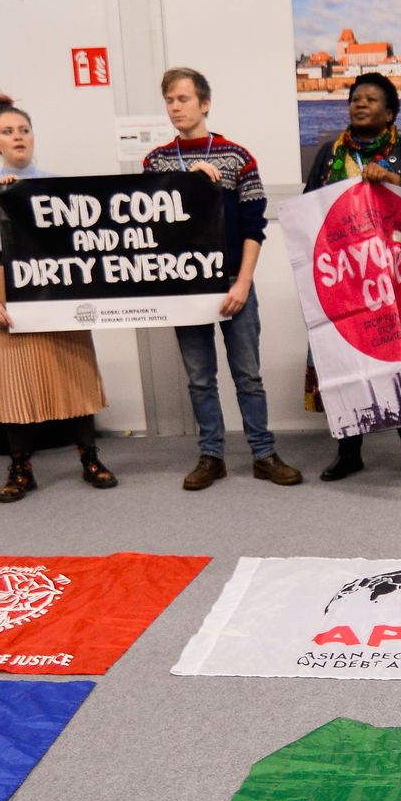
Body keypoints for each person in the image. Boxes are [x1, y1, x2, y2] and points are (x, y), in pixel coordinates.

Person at [144, 67, 301, 491]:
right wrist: (184, 181)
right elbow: (145, 221)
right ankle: (211, 455)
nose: (176, 107)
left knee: (247, 374)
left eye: (184, 99)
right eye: (170, 101)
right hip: (186, 286)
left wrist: (243, 283)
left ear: (204, 103)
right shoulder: (156, 161)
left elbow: (254, 225)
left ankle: (263, 453)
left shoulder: (237, 157)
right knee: (199, 378)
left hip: (233, 279)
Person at [0, 95, 117, 503]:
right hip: (6, 286)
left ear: (33, 136)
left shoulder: (55, 185)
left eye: (23, 130)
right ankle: (20, 467)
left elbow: (78, 239)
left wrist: (29, 199)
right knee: (12, 379)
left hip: (55, 283)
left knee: (74, 367)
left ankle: (90, 457)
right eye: (7, 132)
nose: (17, 138)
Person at [302, 72, 401, 483]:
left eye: (370, 99)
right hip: (346, 279)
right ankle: (349, 451)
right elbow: (310, 209)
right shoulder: (329, 155)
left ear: (390, 111)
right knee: (344, 359)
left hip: (400, 278)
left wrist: (394, 180)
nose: (359, 105)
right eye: (354, 99)